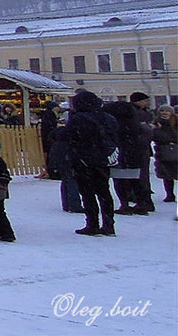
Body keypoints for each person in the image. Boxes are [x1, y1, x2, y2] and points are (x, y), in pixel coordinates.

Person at [68, 89, 119, 236]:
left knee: (88, 193)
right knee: (104, 191)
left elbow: (71, 136)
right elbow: (114, 134)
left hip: (84, 159)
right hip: (103, 159)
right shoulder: (107, 117)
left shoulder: (79, 118)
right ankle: (109, 225)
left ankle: (92, 224)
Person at [104, 99, 146, 215]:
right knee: (135, 179)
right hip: (133, 150)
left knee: (119, 180)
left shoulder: (113, 121)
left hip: (119, 150)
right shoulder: (133, 119)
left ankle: (125, 204)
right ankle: (141, 203)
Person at [129, 92, 156, 213]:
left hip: (137, 147)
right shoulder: (139, 113)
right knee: (142, 176)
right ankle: (145, 201)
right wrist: (150, 128)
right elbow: (145, 131)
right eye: (145, 100)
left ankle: (141, 199)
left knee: (138, 175)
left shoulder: (136, 112)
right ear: (138, 101)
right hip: (140, 148)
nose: (147, 103)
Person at [152, 104, 177, 203]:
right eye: (162, 111)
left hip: (175, 150)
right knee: (166, 175)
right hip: (162, 151)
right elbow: (155, 136)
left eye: (167, 111)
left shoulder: (175, 122)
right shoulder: (156, 123)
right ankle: (170, 194)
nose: (164, 113)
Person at [39, 101, 63, 178]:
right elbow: (51, 125)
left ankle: (49, 171)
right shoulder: (51, 115)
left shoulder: (46, 114)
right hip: (49, 137)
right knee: (50, 154)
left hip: (47, 136)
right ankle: (50, 171)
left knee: (48, 154)